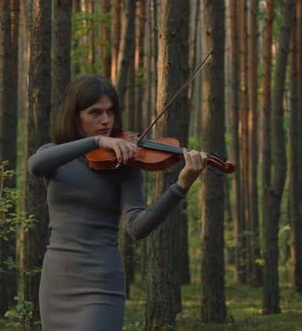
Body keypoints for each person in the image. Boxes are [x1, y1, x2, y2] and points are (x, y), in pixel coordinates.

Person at [27, 74, 207, 331]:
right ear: (75, 115)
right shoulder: (53, 155)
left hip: (101, 285)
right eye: (95, 112)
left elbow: (137, 227)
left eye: (110, 112)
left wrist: (181, 186)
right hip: (56, 282)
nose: (105, 120)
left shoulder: (125, 164)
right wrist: (96, 141)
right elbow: (34, 166)